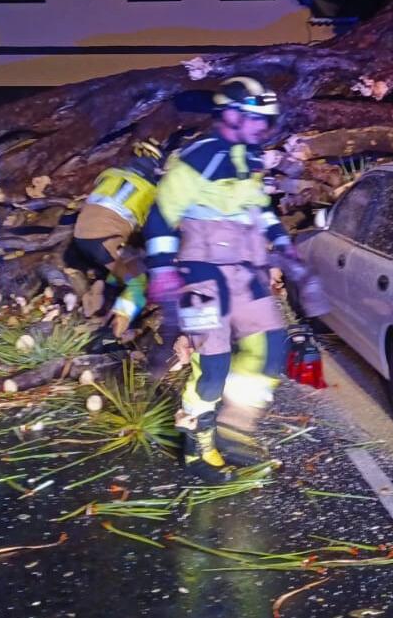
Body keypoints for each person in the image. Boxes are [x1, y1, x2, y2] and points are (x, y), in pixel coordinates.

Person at [144, 76, 295, 480]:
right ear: (229, 115)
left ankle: (232, 428)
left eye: (267, 120)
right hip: (202, 275)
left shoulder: (251, 157)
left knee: (272, 348)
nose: (264, 127)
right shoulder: (198, 158)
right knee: (212, 365)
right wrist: (160, 269)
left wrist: (282, 242)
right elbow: (160, 216)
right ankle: (197, 445)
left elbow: (259, 208)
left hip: (246, 273)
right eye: (256, 119)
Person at [73, 138, 163, 340]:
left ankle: (101, 298)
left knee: (124, 262)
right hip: (104, 240)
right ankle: (111, 334)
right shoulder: (149, 190)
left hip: (81, 235)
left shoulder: (111, 175)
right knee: (139, 281)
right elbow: (153, 231)